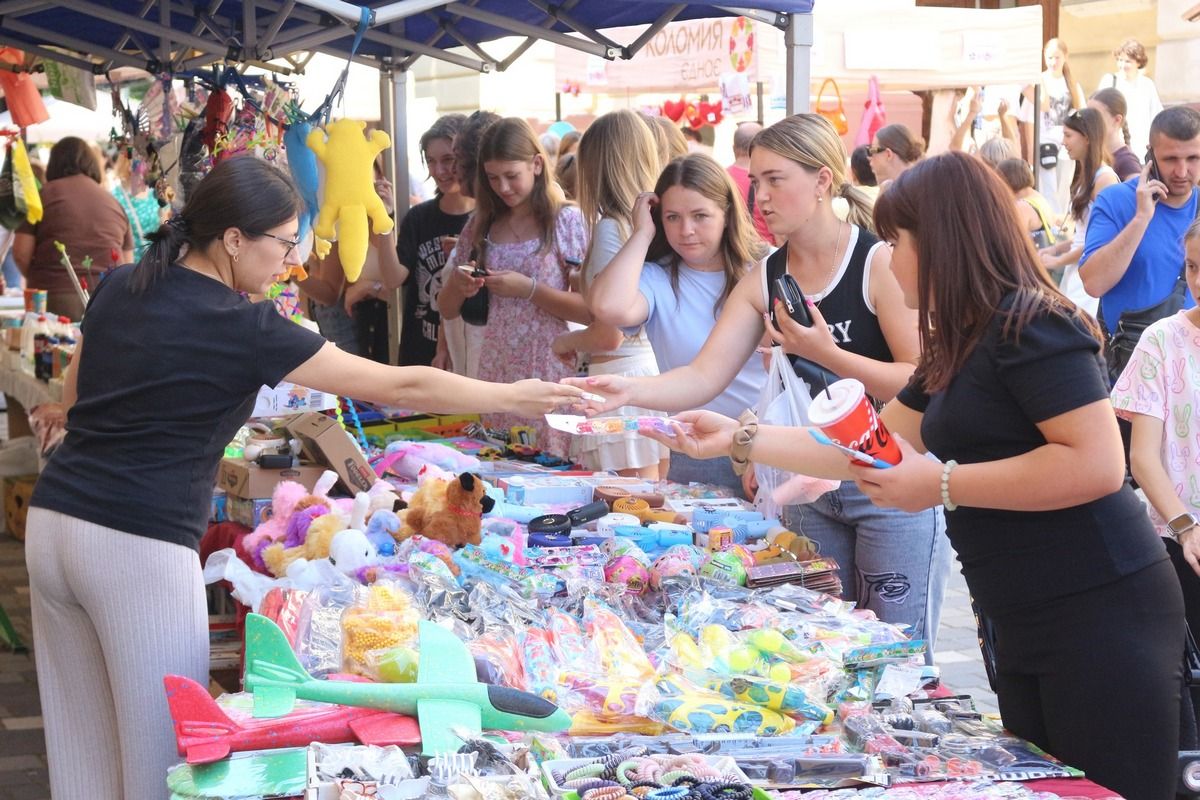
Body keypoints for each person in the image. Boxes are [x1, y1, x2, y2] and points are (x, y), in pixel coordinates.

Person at [24, 156, 582, 800]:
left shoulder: (121, 285)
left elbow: (73, 400)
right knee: (168, 758)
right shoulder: (245, 325)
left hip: (56, 523)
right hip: (137, 543)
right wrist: (514, 395)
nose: (290, 262)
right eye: (286, 244)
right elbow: (399, 383)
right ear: (234, 240)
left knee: (81, 750)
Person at [642, 151, 1183, 800]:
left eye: (899, 242)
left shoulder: (1033, 322)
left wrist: (942, 485)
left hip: (1100, 608)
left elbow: (1098, 465)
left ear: (945, 241)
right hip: (1018, 609)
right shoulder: (962, 338)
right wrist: (740, 435)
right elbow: (870, 445)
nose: (891, 258)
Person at [570, 115, 949, 648]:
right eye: (755, 183)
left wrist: (827, 354)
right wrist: (628, 393)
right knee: (819, 644)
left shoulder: (874, 262)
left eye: (775, 180)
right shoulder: (767, 274)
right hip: (805, 486)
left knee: (899, 650)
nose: (762, 197)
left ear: (821, 182)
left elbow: (919, 379)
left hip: (892, 484)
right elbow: (704, 375)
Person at [585, 153, 767, 491]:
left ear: (727, 214)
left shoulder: (764, 267)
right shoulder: (658, 276)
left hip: (769, 444)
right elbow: (608, 306)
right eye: (672, 217)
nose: (686, 230)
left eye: (700, 216)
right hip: (696, 445)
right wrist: (641, 233)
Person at [437, 118, 590, 458]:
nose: (503, 187)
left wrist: (530, 289)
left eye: (511, 176)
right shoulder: (480, 225)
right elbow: (446, 309)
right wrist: (459, 286)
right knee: (501, 463)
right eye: (493, 178)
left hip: (550, 364)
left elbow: (590, 311)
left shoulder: (566, 221)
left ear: (537, 165)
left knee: (551, 466)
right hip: (496, 367)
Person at [551, 110, 666, 477]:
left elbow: (608, 334)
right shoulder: (655, 223)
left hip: (618, 381)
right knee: (654, 508)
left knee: (625, 515)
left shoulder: (612, 227)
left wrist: (566, 342)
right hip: (652, 378)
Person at [1111, 219, 1200, 652]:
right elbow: (1142, 457)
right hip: (1180, 542)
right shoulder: (1162, 340)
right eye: (1194, 267)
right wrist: (1186, 528)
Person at [1080, 106, 1200, 347]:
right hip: (1129, 365)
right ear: (1150, 156)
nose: (1182, 171)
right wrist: (1141, 218)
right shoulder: (1115, 200)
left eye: (1193, 158)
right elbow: (1094, 283)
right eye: (1170, 159)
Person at [12, 136, 133, 319]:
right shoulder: (113, 202)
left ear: (54, 164)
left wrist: (39, 276)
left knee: (53, 347)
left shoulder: (42, 197)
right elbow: (126, 263)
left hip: (54, 297)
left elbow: (21, 253)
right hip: (108, 300)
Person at [391, 114, 473, 367]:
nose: (439, 171)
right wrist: (382, 226)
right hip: (420, 350)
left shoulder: (488, 220)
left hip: (469, 350)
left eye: (448, 160)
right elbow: (393, 278)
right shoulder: (419, 217)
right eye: (431, 161)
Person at [435, 110, 500, 377]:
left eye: (456, 159)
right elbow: (447, 307)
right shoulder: (475, 226)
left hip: (505, 373)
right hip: (475, 369)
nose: (451, 171)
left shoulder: (551, 221)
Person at [1039, 108, 1118, 313]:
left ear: (1087, 138)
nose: (1063, 142)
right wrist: (1057, 249)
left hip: (1089, 273)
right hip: (1076, 269)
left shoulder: (1104, 180)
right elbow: (1082, 235)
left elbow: (1100, 240)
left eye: (1068, 135)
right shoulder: (1085, 176)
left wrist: (1058, 259)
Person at [1021, 39, 1086, 215]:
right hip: (1044, 143)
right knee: (1048, 189)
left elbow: (1081, 116)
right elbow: (1029, 119)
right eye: (1049, 57)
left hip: (1067, 146)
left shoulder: (1072, 85)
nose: (1053, 62)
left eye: (1057, 57)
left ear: (1065, 57)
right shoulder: (1038, 82)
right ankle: (1053, 227)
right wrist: (1030, 150)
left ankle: (1061, 227)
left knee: (1063, 188)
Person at [1096, 38, 1162, 158]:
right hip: (1114, 148)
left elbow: (1156, 115)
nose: (1122, 65)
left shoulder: (1147, 85)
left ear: (1138, 62)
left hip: (1142, 148)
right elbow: (1097, 113)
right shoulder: (1109, 81)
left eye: (1128, 61)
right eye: (1120, 60)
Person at [111, 147, 164, 260]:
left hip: (157, 265)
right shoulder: (115, 198)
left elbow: (165, 227)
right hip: (132, 267)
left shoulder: (155, 193)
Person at [726, 121, 774, 245]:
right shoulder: (773, 181)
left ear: (733, 148)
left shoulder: (720, 178)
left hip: (732, 252)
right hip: (766, 253)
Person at [994, 158, 1057, 251]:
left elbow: (1012, 243)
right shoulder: (1038, 197)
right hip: (1045, 258)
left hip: (1032, 260)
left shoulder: (1022, 206)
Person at [1089, 87, 1142, 181]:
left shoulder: (1128, 162)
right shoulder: (1095, 154)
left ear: (1117, 120)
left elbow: (1137, 193)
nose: (1089, 121)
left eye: (1096, 116)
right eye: (1089, 115)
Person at [868, 124, 923, 189]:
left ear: (888, 154)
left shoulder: (910, 191)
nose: (869, 157)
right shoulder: (920, 182)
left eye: (873, 150)